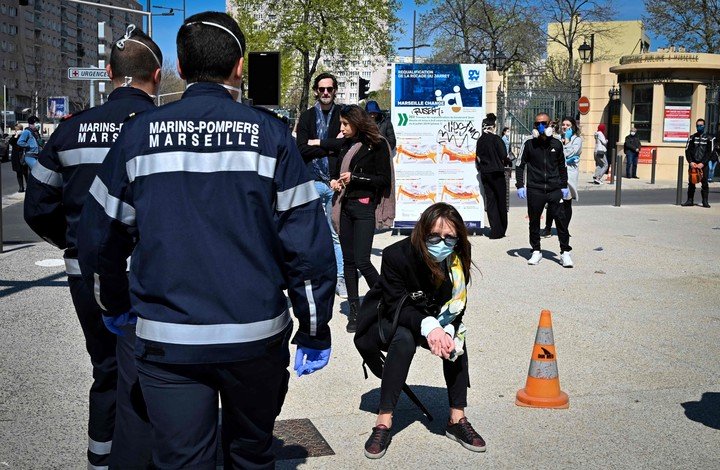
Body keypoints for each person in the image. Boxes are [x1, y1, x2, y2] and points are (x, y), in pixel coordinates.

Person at [77, 12, 335, 469]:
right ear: (240, 67)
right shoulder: (270, 135)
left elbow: (99, 239)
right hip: (255, 339)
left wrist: (114, 306)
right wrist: (314, 328)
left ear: (178, 63)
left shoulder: (139, 135)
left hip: (167, 342)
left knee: (182, 460)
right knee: (251, 455)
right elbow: (308, 248)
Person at [23, 26, 162, 469]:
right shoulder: (160, 129)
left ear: (107, 73)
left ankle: (101, 459)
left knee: (105, 366)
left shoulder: (71, 130)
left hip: (85, 271)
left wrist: (72, 242)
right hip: (150, 271)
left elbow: (37, 205)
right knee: (160, 370)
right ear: (157, 76)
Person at [354, 202, 484, 459]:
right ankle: (384, 421)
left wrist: (446, 331)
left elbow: (458, 304)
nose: (441, 242)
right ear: (422, 232)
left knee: (457, 342)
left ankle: (457, 419)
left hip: (439, 318)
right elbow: (395, 304)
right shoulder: (397, 256)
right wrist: (430, 327)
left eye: (449, 237)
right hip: (402, 317)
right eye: (434, 235)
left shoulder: (457, 259)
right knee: (403, 340)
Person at [330, 104, 391, 333]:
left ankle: (388, 298)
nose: (342, 128)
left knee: (363, 260)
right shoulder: (346, 145)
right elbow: (335, 172)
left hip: (365, 207)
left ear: (356, 122)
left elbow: (383, 180)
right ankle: (354, 312)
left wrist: (355, 178)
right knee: (348, 262)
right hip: (345, 206)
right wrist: (335, 181)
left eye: (345, 124)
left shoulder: (377, 145)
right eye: (341, 124)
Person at [296, 72, 347, 299]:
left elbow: (346, 144)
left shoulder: (342, 115)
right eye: (322, 89)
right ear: (316, 91)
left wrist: (318, 143)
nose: (325, 92)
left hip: (337, 183)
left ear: (335, 90)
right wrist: (330, 145)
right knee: (312, 234)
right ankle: (315, 279)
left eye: (329, 89)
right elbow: (301, 149)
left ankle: (340, 279)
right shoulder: (307, 117)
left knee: (335, 235)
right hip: (314, 182)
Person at [516, 112, 573, 267]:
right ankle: (536, 251)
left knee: (561, 220)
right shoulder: (529, 144)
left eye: (544, 123)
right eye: (537, 124)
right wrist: (520, 185)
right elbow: (519, 165)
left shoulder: (557, 144)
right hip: (535, 188)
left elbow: (562, 166)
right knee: (534, 221)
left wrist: (564, 185)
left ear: (550, 125)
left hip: (555, 188)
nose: (541, 126)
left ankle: (565, 252)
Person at [543, 117, 582, 236]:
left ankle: (564, 228)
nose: (565, 127)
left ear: (573, 126)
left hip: (569, 174)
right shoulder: (557, 139)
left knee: (566, 202)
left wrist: (568, 140)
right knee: (551, 200)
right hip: (556, 173)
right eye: (564, 125)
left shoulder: (577, 139)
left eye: (568, 125)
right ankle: (548, 227)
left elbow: (569, 152)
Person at [475, 113, 510, 239]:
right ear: (493, 127)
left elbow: (478, 157)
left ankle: (494, 230)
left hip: (485, 173)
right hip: (497, 173)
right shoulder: (496, 139)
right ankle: (501, 230)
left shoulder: (480, 140)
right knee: (501, 200)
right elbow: (504, 155)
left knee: (491, 201)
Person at [682, 118, 715, 208]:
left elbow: (710, 152)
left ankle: (705, 201)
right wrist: (691, 162)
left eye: (701, 125)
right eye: (697, 125)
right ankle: (689, 200)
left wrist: (703, 163)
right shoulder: (692, 137)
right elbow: (687, 150)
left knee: (704, 183)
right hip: (693, 163)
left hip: (703, 164)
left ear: (704, 126)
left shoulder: (710, 138)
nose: (699, 127)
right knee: (691, 182)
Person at [8, 124, 28, 192]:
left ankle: (28, 186)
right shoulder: (14, 136)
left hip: (23, 155)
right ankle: (21, 187)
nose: (16, 131)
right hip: (16, 156)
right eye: (16, 129)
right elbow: (11, 142)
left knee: (25, 172)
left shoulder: (25, 136)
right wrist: (16, 136)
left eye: (17, 129)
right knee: (18, 172)